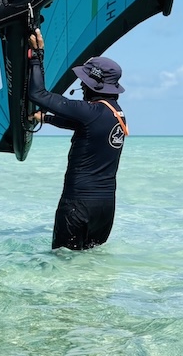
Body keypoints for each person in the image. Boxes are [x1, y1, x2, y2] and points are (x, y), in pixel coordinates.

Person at [26, 30, 128, 251]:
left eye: (85, 82)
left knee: (61, 264)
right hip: (105, 208)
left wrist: (36, 55)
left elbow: (38, 95)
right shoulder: (116, 114)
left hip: (78, 205)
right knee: (89, 263)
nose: (81, 86)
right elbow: (80, 125)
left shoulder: (89, 111)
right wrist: (46, 118)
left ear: (95, 85)